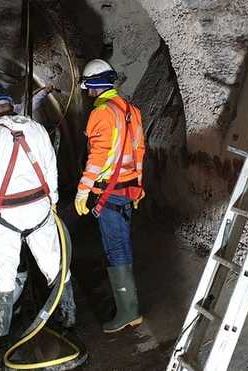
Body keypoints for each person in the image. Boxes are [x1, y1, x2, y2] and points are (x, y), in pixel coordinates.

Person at [0, 84, 75, 344]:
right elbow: (51, 168)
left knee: (4, 271)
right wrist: (53, 202)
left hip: (7, 216)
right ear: (9, 107)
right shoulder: (37, 130)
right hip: (40, 210)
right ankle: (68, 318)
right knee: (54, 265)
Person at [73, 59, 145, 333]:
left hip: (109, 192)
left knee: (115, 248)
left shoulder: (101, 113)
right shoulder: (131, 110)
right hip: (127, 189)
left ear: (92, 87)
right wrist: (140, 186)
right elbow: (139, 150)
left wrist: (83, 190)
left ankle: (128, 312)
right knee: (123, 244)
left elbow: (97, 157)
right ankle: (130, 307)